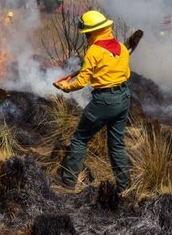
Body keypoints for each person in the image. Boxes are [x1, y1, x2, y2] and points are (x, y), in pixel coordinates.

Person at [54, 10, 132, 192]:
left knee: (80, 138)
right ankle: (125, 187)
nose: (86, 36)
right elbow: (126, 74)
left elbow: (81, 81)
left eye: (87, 33)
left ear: (94, 32)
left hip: (104, 101)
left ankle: (68, 183)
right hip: (124, 97)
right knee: (117, 144)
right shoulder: (121, 47)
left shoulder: (94, 51)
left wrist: (66, 87)